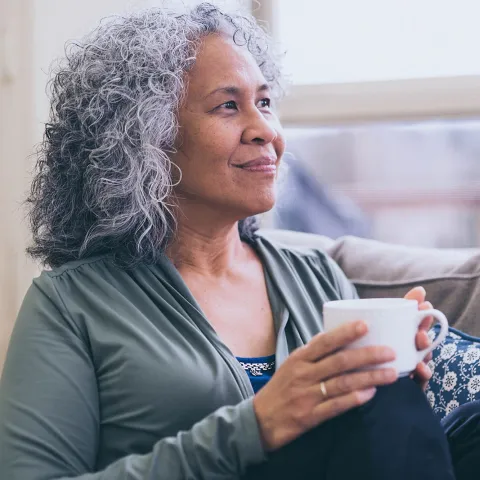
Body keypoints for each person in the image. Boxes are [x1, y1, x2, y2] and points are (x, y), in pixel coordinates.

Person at [0, 3, 478, 479]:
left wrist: (394, 384)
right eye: (228, 105)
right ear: (143, 136)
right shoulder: (72, 304)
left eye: (265, 102)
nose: (266, 131)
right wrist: (252, 428)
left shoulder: (316, 273)